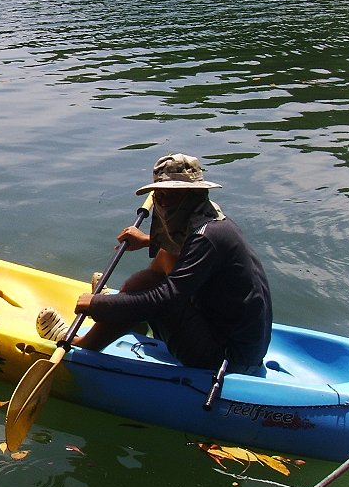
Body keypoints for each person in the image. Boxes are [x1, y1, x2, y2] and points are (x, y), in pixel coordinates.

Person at [36, 153, 272, 374]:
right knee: (166, 255)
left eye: (170, 196)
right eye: (159, 196)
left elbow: (166, 300)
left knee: (150, 292)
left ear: (194, 194)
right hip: (232, 338)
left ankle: (82, 342)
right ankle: (130, 316)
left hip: (228, 358)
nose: (161, 204)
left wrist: (101, 305)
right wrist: (149, 241)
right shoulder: (210, 220)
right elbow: (183, 249)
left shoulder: (207, 237)